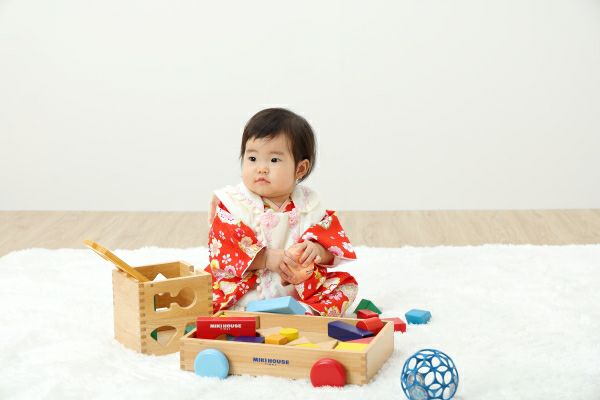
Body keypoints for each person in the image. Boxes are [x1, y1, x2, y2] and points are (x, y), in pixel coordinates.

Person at [204, 108, 358, 316]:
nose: (261, 168)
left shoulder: (309, 204)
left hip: (296, 290)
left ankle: (304, 312)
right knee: (206, 295)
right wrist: (266, 258)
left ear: (300, 169)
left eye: (274, 160)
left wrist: (317, 250)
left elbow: (332, 241)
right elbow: (224, 249)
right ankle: (245, 313)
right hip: (248, 288)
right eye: (252, 158)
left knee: (345, 287)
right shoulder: (234, 203)